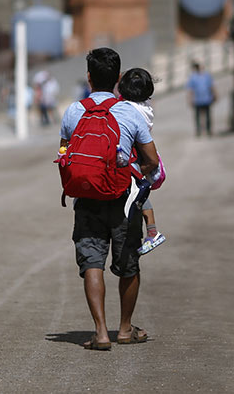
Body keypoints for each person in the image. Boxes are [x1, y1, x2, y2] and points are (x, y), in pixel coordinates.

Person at [59, 48, 158, 350]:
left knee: (92, 262)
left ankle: (101, 332)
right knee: (128, 264)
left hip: (87, 199)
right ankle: (125, 329)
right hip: (124, 200)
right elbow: (151, 160)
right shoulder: (130, 112)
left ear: (89, 77)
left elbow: (64, 155)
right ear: (117, 78)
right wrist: (131, 173)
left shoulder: (74, 111)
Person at [116, 68, 166, 255]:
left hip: (136, 157)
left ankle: (153, 232)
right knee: (143, 193)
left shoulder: (130, 110)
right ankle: (152, 231)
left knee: (139, 193)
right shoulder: (146, 108)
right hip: (143, 154)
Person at [186, 61, 216, 136]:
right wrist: (190, 99)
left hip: (206, 99)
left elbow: (211, 86)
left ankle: (208, 130)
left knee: (207, 116)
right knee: (198, 117)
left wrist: (215, 95)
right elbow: (190, 90)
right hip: (198, 100)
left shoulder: (207, 76)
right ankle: (199, 131)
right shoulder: (193, 77)